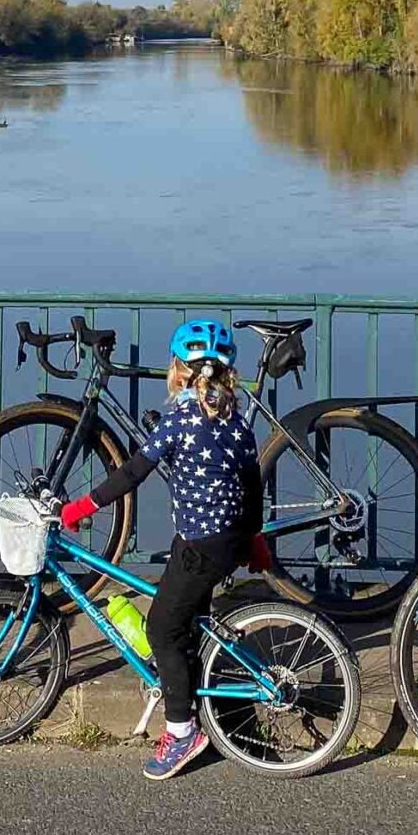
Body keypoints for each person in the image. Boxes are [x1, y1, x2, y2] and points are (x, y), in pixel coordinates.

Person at [56, 318, 262, 781]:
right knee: (189, 623)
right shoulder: (236, 418)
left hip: (200, 544)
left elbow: (133, 472)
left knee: (162, 628)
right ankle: (200, 699)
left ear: (179, 370)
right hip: (227, 540)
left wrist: (82, 506)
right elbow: (253, 482)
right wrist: (256, 538)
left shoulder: (180, 420)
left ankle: (182, 732)